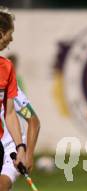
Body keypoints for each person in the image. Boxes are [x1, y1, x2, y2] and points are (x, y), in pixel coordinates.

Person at [0, 7, 26, 181]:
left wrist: (20, 147)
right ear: (1, 33)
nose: (12, 38)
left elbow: (9, 113)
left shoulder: (7, 68)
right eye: (11, 33)